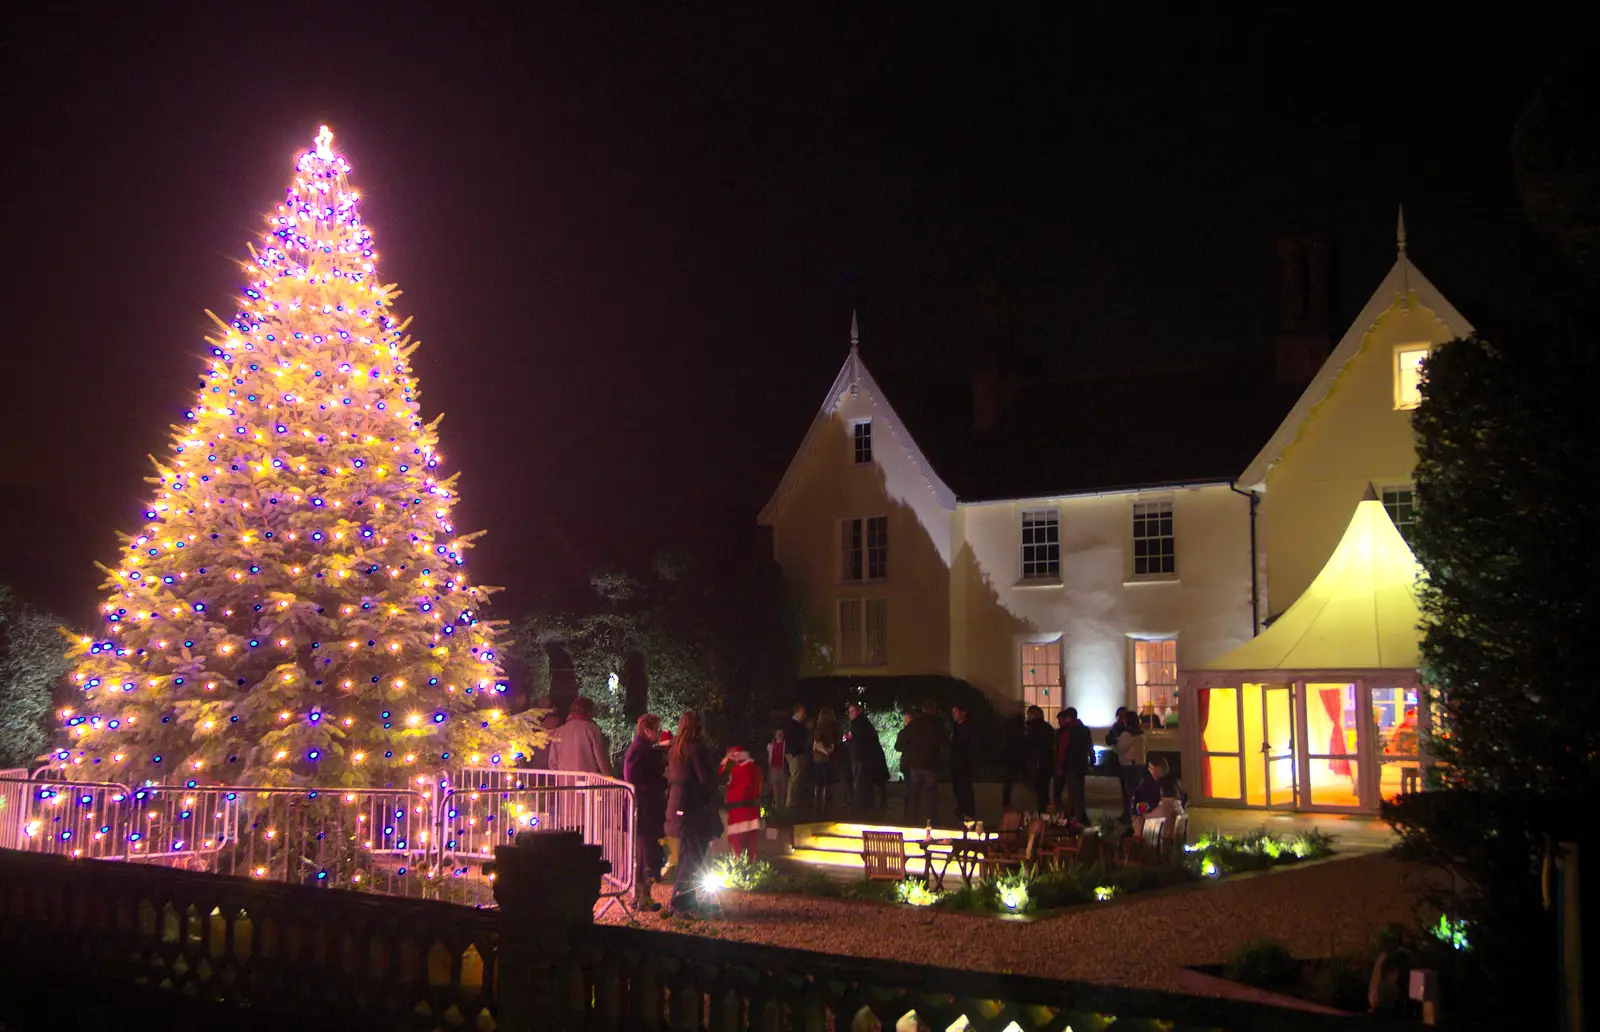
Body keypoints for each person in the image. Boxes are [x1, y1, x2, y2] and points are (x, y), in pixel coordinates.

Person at [665, 711, 716, 916]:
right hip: (693, 807)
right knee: (695, 854)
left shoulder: (675, 748)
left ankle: (686, 900)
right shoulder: (696, 748)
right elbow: (704, 779)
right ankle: (679, 902)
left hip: (676, 804)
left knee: (687, 853)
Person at [622, 713, 666, 909]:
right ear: (647, 730)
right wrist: (659, 783)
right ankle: (642, 898)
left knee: (643, 854)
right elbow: (634, 777)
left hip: (643, 807)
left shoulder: (640, 748)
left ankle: (642, 898)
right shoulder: (641, 750)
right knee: (645, 854)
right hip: (643, 808)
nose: (659, 734)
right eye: (657, 730)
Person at [895, 700, 944, 826]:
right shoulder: (937, 725)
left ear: (923, 709)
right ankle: (933, 824)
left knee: (914, 797)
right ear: (933, 709)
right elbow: (945, 744)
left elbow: (900, 743)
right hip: (931, 765)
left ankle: (912, 823)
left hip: (916, 766)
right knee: (931, 798)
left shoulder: (915, 724)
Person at [720, 740, 764, 859]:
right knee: (751, 843)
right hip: (752, 812)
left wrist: (726, 763)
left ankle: (739, 869)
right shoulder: (755, 768)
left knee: (737, 844)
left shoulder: (737, 769)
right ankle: (751, 868)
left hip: (738, 813)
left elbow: (720, 774)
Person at [548, 696, 611, 775]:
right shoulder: (592, 729)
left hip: (564, 783)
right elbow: (602, 761)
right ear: (589, 711)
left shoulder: (559, 731)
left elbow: (552, 763)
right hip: (588, 783)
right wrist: (610, 778)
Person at [1054, 707, 1094, 822]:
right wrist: (1091, 759)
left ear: (1067, 718)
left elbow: (1062, 750)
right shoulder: (1084, 730)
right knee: (1080, 791)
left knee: (1073, 792)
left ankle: (1076, 817)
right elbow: (1089, 746)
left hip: (1071, 765)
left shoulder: (1068, 731)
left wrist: (1060, 766)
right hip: (1081, 764)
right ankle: (1080, 814)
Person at [1022, 706, 1055, 813]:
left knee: (1039, 790)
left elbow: (1028, 745)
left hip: (1037, 763)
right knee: (1044, 789)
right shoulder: (1048, 728)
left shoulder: (1032, 728)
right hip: (1047, 762)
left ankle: (1043, 813)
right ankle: (1047, 811)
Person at [1115, 709, 1147, 817]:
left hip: (1129, 764)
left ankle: (1129, 815)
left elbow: (1120, 748)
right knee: (1137, 791)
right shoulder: (1141, 734)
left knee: (1129, 792)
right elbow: (1146, 748)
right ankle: (1138, 813)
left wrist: (1115, 743)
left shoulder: (1127, 734)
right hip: (1140, 763)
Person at [948, 704, 977, 822]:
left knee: (965, 788)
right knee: (958, 789)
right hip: (956, 763)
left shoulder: (969, 728)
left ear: (963, 712)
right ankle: (963, 811)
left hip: (965, 763)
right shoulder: (955, 727)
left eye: (955, 712)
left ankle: (968, 813)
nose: (953, 714)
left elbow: (971, 745)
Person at [1133, 773, 1184, 838]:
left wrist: (1139, 816)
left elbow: (1144, 817)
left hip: (1161, 843)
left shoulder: (1165, 807)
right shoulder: (1179, 806)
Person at [811, 707, 840, 814]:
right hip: (826, 758)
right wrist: (827, 751)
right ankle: (823, 807)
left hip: (818, 759)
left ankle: (817, 806)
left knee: (819, 783)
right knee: (824, 783)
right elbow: (819, 743)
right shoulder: (830, 728)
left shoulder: (819, 728)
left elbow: (816, 743)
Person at [783, 703, 811, 808]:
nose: (804, 714)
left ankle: (794, 800)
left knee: (798, 775)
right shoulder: (792, 724)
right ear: (798, 711)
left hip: (799, 752)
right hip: (794, 753)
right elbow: (790, 739)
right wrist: (794, 752)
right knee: (795, 775)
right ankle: (790, 802)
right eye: (803, 711)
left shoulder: (800, 725)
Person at [1104, 706, 1129, 816]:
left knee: (1128, 788)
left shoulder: (1128, 728)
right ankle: (1126, 810)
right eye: (1119, 716)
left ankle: (1128, 812)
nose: (1121, 718)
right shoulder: (1116, 727)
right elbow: (1110, 739)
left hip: (1127, 760)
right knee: (1124, 787)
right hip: (1120, 758)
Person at [1000, 706, 1026, 808]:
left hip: (1010, 757)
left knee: (1009, 780)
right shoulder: (1019, 729)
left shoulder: (1008, 728)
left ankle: (1006, 801)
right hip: (1016, 756)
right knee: (1015, 777)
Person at [766, 728, 788, 807]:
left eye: (781, 733)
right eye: (778, 734)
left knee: (783, 786)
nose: (779, 735)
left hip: (782, 767)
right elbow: (769, 757)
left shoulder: (785, 745)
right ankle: (776, 803)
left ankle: (782, 804)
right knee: (775, 786)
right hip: (773, 768)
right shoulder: (770, 746)